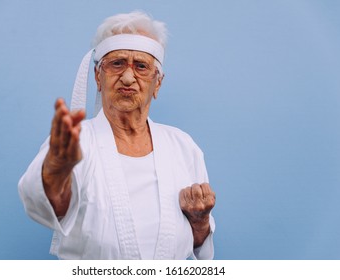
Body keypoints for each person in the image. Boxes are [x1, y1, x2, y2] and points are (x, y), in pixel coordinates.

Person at [18, 11, 216, 260]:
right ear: (98, 77)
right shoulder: (75, 144)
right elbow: (48, 208)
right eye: (117, 63)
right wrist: (56, 170)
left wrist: (200, 221)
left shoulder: (183, 147)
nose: (128, 77)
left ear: (158, 82)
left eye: (141, 66)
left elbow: (200, 247)